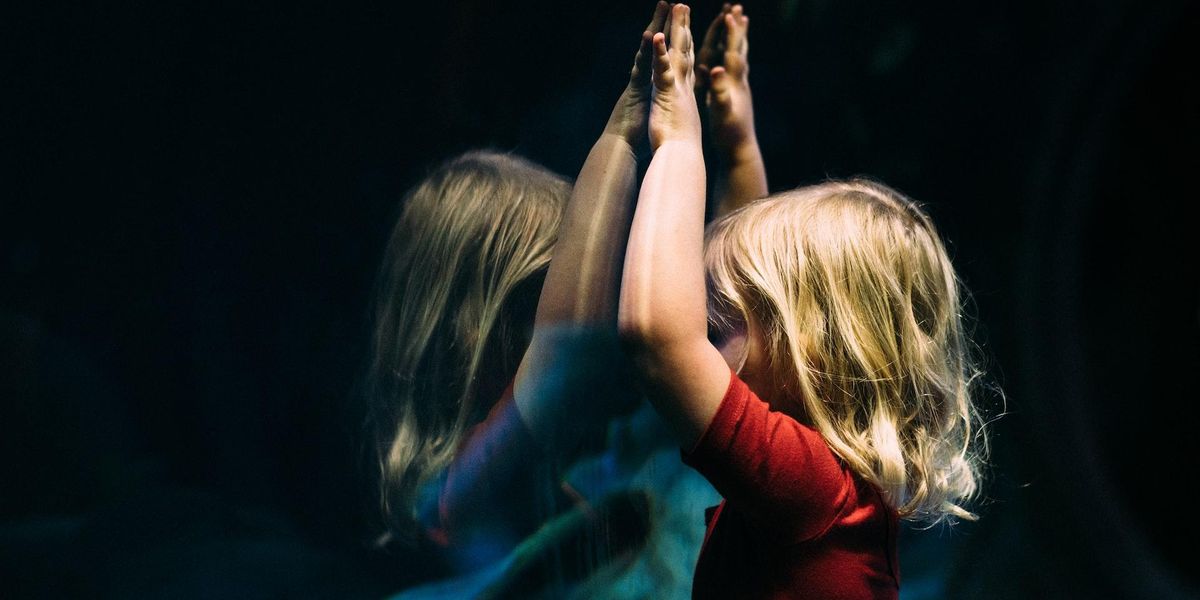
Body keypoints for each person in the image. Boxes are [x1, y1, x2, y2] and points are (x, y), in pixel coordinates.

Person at [618, 4, 988, 598]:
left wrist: (679, 144)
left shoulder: (814, 490)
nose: (702, 330)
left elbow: (659, 339)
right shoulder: (831, 495)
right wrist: (734, 146)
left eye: (716, 322)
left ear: (809, 341)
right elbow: (735, 301)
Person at [367, 3, 678, 592]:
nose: (590, 305)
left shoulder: (558, 484)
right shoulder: (459, 496)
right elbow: (570, 357)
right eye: (548, 296)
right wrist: (619, 139)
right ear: (469, 326)